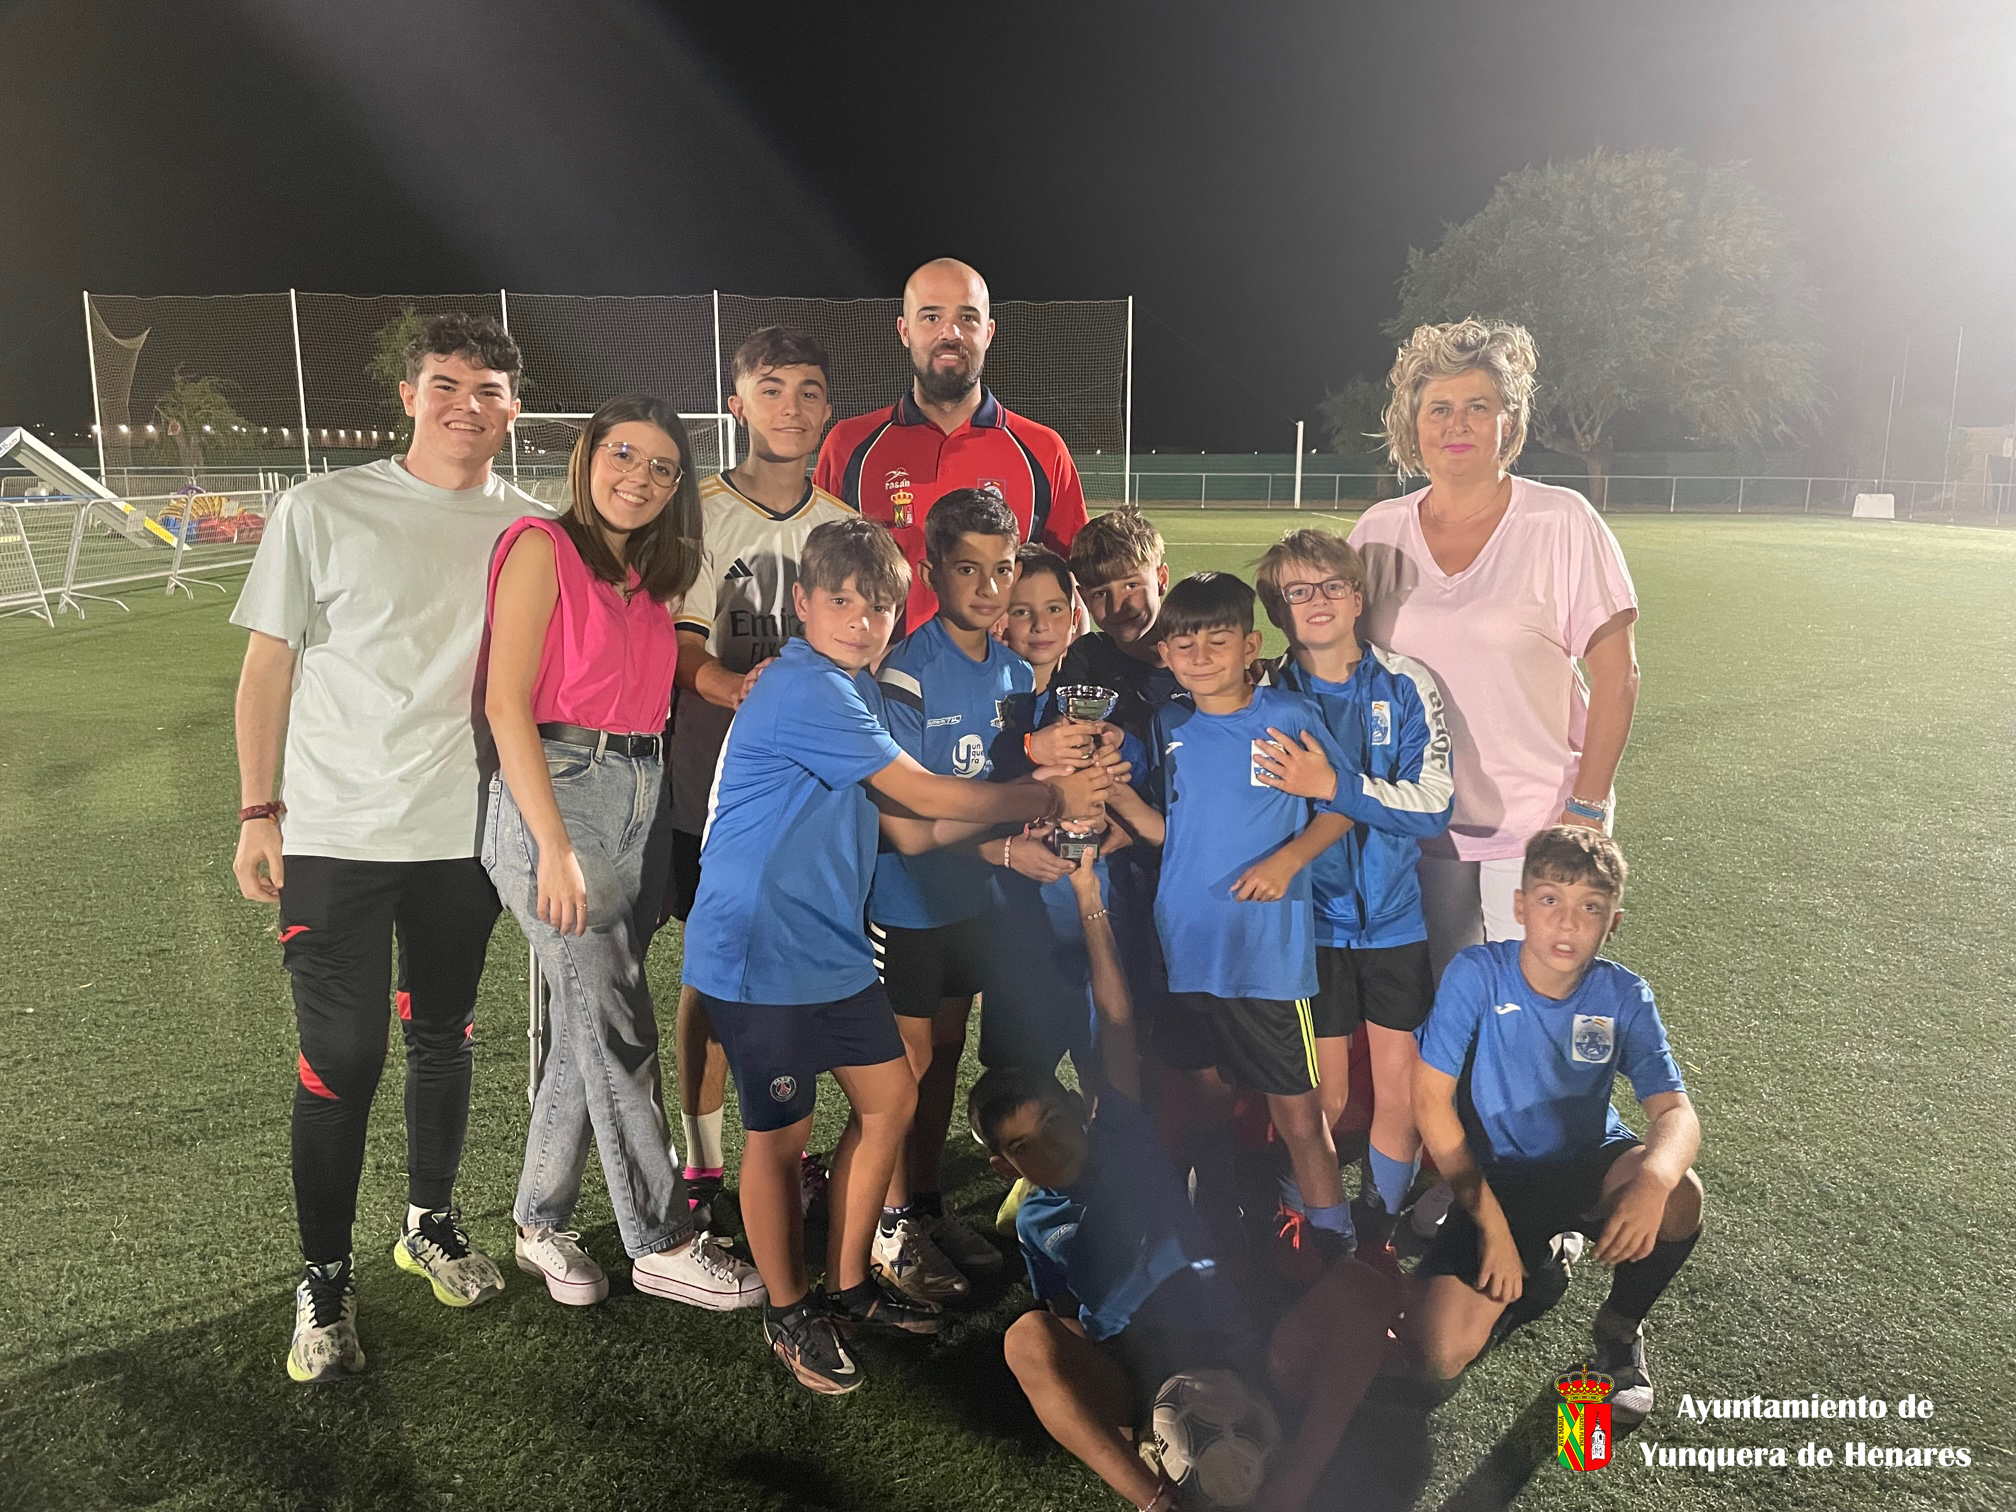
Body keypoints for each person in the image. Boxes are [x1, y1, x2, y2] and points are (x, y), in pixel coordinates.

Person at [680, 516, 1110, 1394]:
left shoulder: (858, 691)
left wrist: (1020, 815)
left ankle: (848, 1287)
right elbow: (925, 792)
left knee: (889, 1100)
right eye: (841, 601)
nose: (861, 619)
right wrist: (1044, 794)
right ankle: (789, 1310)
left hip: (827, 940)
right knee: (779, 1136)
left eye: (877, 605)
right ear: (803, 605)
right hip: (759, 945)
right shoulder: (806, 686)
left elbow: (910, 831)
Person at [230, 313, 542, 1383]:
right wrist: (258, 811)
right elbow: (268, 668)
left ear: (514, 409)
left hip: (465, 837)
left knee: (443, 1034)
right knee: (345, 1056)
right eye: (446, 384)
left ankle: (428, 1222)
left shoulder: (532, 530)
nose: (467, 405)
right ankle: (324, 1275)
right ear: (409, 396)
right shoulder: (321, 507)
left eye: (488, 390)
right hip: (336, 834)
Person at [976, 851, 1397, 1512]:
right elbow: (1064, 1319)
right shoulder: (1034, 1224)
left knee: (1363, 1288)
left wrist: (1089, 896)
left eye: (1055, 1121)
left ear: (1078, 1108)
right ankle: (1156, 1500)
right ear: (1007, 1167)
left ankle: (1296, 1478)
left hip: (1229, 1338)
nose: (1051, 1146)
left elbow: (1115, 1018)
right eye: (1025, 1146)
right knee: (1025, 1340)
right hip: (1135, 1373)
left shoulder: (1120, 1131)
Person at [483, 394, 764, 1313]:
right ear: (588, 456)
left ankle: (537, 1223)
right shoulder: (541, 546)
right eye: (623, 455)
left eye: (662, 468)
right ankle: (661, 1239)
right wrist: (553, 846)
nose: (639, 478)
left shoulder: (651, 576)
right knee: (618, 1024)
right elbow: (504, 703)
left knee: (589, 1019)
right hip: (558, 792)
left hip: (642, 792)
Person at [1349, 320, 1640, 980]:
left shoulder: (1560, 521)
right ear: (1413, 424)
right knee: (1440, 1009)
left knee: (1532, 1008)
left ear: (1508, 421)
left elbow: (1618, 677)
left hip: (1539, 824)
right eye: (1439, 408)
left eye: (1478, 406)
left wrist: (1586, 813)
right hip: (1415, 826)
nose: (1458, 424)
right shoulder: (1376, 533)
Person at [1102, 572, 1358, 1271]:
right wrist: (1117, 794)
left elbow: (1343, 803)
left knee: (1298, 1116)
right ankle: (1219, 1226)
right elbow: (1172, 832)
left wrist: (1287, 861)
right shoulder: (1170, 725)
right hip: (1188, 947)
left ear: (1250, 646)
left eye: (1218, 640)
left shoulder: (1290, 716)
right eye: (1184, 642)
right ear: (1164, 653)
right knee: (1205, 1099)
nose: (1201, 654)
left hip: (1265, 958)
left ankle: (1336, 1252)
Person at [1405, 828, 1703, 1425]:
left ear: (1612, 923)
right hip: (1499, 1180)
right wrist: (1492, 1227)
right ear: (1520, 906)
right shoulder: (1477, 974)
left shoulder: (1623, 995)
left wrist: (1652, 1182)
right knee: (1435, 1353)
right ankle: (1537, 1262)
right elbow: (1430, 1104)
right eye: (1550, 900)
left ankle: (1619, 1331)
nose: (1567, 923)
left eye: (1590, 907)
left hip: (1590, 1162)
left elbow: (1676, 1113)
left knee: (1680, 1196)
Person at [663, 326, 853, 1228]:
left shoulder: (841, 526)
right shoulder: (699, 514)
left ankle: (785, 1149)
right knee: (711, 979)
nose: (791, 407)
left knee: (798, 973)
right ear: (738, 404)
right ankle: (703, 1165)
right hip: (712, 791)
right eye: (771, 389)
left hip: (809, 804)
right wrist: (735, 687)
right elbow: (679, 642)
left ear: (827, 410)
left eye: (809, 391)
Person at [866, 487, 1054, 1304]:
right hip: (907, 901)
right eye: (968, 568)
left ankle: (925, 1203)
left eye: (1001, 569)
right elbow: (907, 818)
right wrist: (1008, 836)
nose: (988, 586)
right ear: (930, 571)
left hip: (969, 903)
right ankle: (887, 1226)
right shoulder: (907, 671)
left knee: (942, 1054)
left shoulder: (1015, 670)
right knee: (900, 1069)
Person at [1251, 529, 1454, 1256]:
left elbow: (1433, 804)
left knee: (1401, 1096)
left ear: (1358, 596)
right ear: (1278, 609)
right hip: (1308, 925)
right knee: (1327, 1098)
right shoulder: (1266, 694)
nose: (1318, 601)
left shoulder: (1405, 683)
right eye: (1298, 591)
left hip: (1396, 920)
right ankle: (1301, 1214)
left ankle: (1378, 1231)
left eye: (1332, 585)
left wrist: (1334, 786)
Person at [814, 257, 1088, 628]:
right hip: (881, 665)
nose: (951, 333)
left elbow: (1071, 583)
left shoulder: (1043, 450)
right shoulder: (849, 445)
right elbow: (819, 576)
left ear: (988, 332)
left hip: (1005, 666)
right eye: (931, 317)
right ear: (904, 330)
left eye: (967, 318)